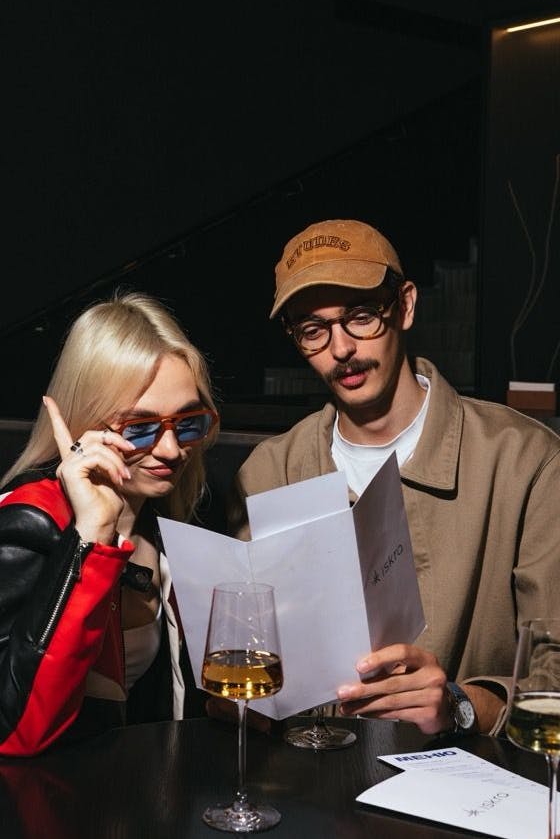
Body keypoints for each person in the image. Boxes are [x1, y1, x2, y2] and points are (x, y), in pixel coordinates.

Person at [232, 218, 560, 736]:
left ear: (405, 305)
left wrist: (461, 703)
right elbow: (249, 661)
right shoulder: (271, 472)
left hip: (466, 793)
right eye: (314, 330)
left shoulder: (522, 460)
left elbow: (555, 669)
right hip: (312, 792)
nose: (341, 349)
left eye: (361, 316)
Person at [0, 292, 219, 789]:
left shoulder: (161, 525)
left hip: (118, 799)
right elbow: (5, 726)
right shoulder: (24, 521)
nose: (172, 450)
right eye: (142, 427)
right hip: (16, 804)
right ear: (85, 420)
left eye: (187, 422)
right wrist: (88, 541)